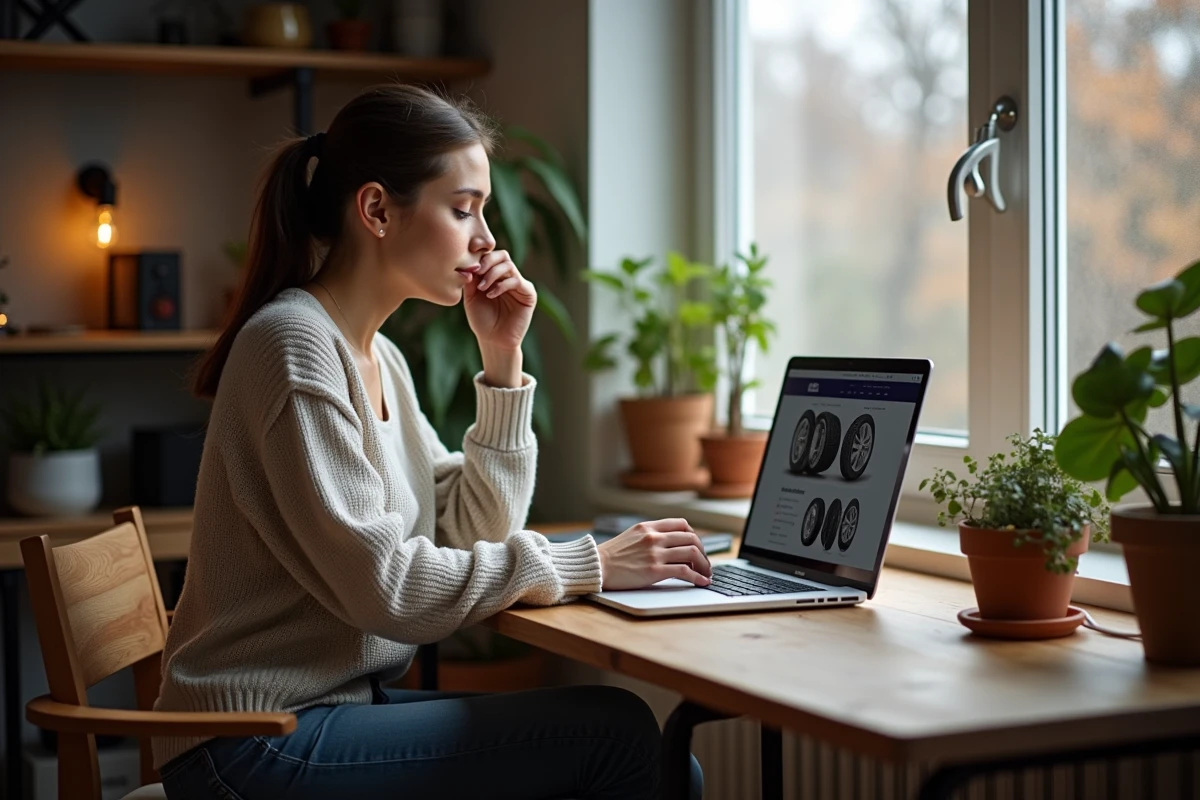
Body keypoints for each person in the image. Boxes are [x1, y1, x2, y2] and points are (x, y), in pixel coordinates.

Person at [152, 83, 712, 800]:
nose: (486, 240)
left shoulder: (379, 356)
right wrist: (589, 563)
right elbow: (389, 588)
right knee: (621, 735)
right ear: (378, 210)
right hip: (253, 742)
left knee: (666, 764)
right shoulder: (293, 346)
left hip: (329, 713)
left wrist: (502, 359)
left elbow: (465, 525)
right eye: (463, 209)